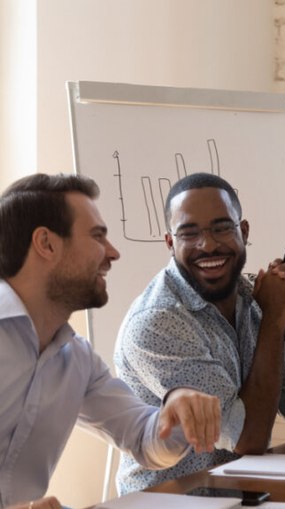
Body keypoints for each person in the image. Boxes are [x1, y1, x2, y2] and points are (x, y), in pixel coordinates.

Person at [0, 173, 222, 509]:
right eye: (97, 237)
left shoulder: (76, 358)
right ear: (46, 244)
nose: (113, 253)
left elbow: (144, 439)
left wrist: (176, 409)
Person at [114, 173, 285, 493]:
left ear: (243, 231)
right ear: (170, 243)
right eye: (189, 233)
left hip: (240, 491)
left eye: (221, 228)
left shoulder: (251, 295)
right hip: (171, 500)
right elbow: (248, 438)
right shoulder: (157, 322)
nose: (208, 244)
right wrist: (273, 319)